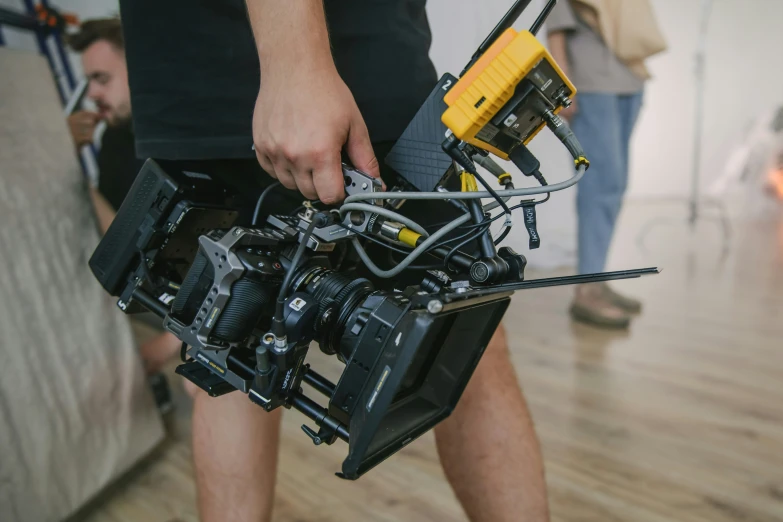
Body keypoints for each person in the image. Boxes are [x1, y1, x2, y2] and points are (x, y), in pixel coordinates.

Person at [118, 1, 550, 521]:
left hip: (308, 74)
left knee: (456, 333)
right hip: (295, 78)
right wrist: (294, 64)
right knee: (226, 350)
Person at [65, 19, 181, 377]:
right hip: (155, 290)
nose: (93, 95)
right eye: (90, 83)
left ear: (140, 69)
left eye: (103, 79)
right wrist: (65, 159)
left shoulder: (181, 136)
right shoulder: (114, 140)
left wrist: (169, 344)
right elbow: (116, 231)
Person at [547, 0, 666, 329]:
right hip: (591, 80)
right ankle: (587, 291)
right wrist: (563, 81)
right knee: (600, 184)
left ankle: (597, 279)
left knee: (615, 184)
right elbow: (556, 22)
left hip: (629, 76)